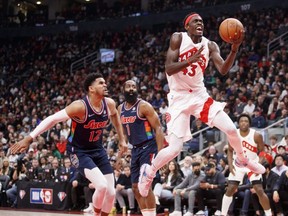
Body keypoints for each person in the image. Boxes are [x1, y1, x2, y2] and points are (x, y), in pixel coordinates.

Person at [138, 12, 265, 198]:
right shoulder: (178, 38)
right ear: (187, 26)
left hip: (199, 96)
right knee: (175, 149)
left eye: (202, 22)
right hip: (178, 98)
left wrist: (234, 49)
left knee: (231, 129)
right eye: (195, 21)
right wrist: (190, 59)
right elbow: (169, 68)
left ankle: (241, 159)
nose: (200, 24)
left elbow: (222, 69)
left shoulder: (210, 45)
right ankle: (148, 173)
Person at [11, 73, 128, 216]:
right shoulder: (79, 106)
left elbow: (115, 115)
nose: (105, 85)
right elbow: (53, 119)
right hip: (78, 151)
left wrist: (122, 139)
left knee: (110, 192)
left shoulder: (109, 103)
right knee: (102, 186)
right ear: (91, 89)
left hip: (98, 149)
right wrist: (30, 137)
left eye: (105, 82)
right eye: (101, 83)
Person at [118, 80, 164, 216]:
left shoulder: (144, 106)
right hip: (135, 150)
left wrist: (161, 154)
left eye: (134, 86)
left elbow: (158, 128)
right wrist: (120, 155)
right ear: (123, 90)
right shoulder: (120, 108)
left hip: (148, 147)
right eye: (128, 86)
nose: (131, 89)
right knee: (134, 187)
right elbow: (125, 133)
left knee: (145, 185)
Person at [221, 113, 272, 216]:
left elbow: (262, 152)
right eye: (241, 121)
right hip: (238, 164)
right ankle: (223, 214)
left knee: (259, 190)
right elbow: (230, 151)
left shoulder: (256, 135)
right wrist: (230, 165)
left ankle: (269, 214)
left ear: (249, 123)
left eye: (246, 121)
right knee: (230, 188)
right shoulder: (233, 134)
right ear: (238, 123)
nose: (244, 123)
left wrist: (258, 166)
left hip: (252, 164)